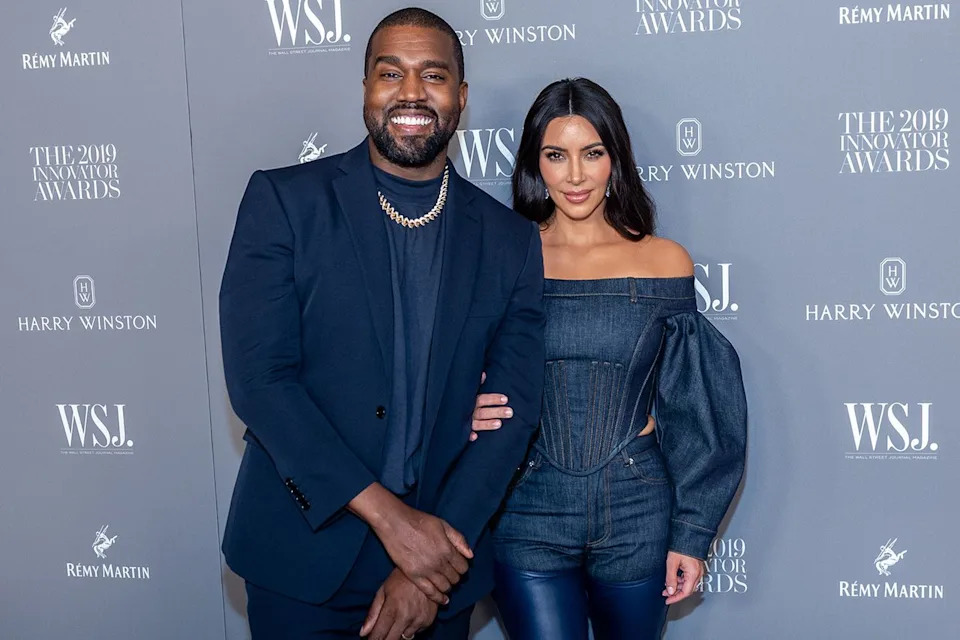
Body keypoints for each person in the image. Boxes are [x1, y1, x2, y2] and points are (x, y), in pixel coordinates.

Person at [218, 8, 545, 639]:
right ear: (366, 87)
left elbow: (513, 414)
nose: (412, 93)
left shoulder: (509, 241)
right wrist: (397, 525)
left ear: (461, 96)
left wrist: (432, 565)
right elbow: (261, 382)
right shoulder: (285, 202)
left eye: (434, 75)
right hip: (302, 558)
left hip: (441, 568)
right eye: (390, 73)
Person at [470, 78, 747, 639]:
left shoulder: (663, 260)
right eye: (556, 155)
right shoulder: (501, 257)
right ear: (534, 164)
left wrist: (691, 533)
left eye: (592, 153)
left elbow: (696, 406)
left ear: (615, 159)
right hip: (525, 508)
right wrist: (463, 406)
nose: (574, 175)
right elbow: (440, 366)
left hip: (637, 510)